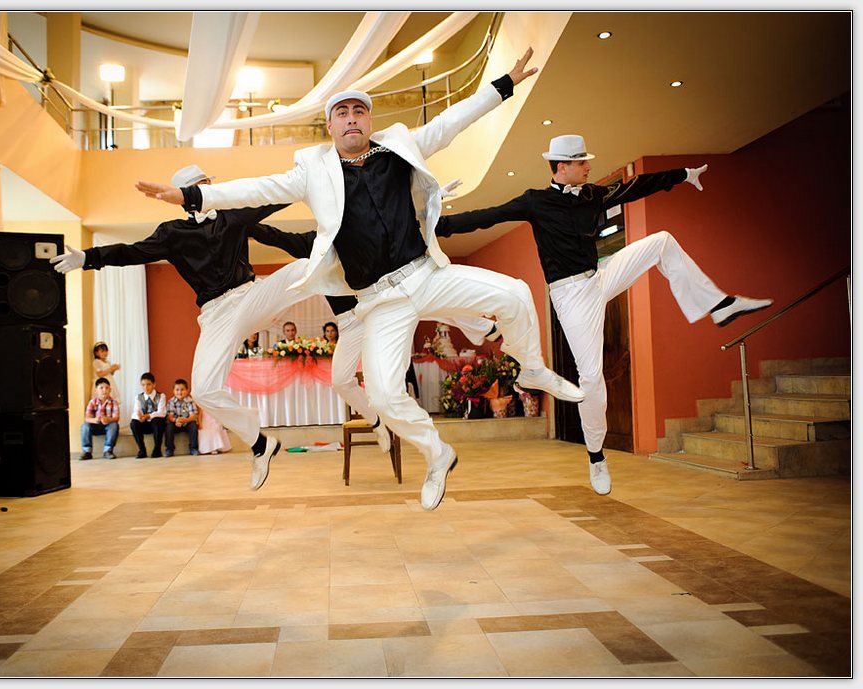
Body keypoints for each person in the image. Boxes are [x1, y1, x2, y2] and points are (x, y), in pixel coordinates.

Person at [136, 49, 582, 511]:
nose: (351, 118)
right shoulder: (313, 173)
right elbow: (256, 188)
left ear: (369, 121)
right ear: (330, 127)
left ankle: (531, 366)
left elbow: (450, 122)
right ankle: (437, 454)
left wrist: (503, 86)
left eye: (359, 111)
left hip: (425, 275)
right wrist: (190, 195)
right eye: (342, 113)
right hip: (380, 301)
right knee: (385, 397)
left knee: (516, 293)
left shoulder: (399, 150)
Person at [435, 133, 773, 495]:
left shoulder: (592, 194)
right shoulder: (535, 201)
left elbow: (634, 187)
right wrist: (435, 218)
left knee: (661, 241)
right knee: (592, 379)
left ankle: (719, 306)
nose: (588, 166)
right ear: (562, 167)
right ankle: (596, 457)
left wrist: (683, 175)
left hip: (600, 275)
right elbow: (486, 217)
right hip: (571, 296)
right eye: (582, 162)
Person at [54, 164, 312, 488]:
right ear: (186, 195)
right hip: (216, 314)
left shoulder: (233, 215)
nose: (209, 189)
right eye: (202, 185)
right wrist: (88, 258)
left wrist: (307, 179)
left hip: (249, 296)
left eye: (209, 184)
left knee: (306, 267)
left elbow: (270, 199)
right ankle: (260, 443)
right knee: (203, 390)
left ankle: (359, 286)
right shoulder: (172, 233)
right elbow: (132, 252)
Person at [248, 222, 497, 454]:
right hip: (349, 323)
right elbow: (276, 237)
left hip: (374, 306)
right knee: (340, 381)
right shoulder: (312, 243)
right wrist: (246, 224)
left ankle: (483, 326)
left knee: (427, 302)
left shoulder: (357, 234)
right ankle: (377, 422)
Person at [80, 377, 120, 460]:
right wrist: (94, 420)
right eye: (101, 388)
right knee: (85, 426)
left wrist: (109, 419)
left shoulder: (114, 402)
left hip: (108, 426)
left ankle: (108, 450)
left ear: (110, 390)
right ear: (96, 390)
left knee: (114, 425)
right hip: (96, 426)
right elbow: (87, 417)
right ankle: (87, 452)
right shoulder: (92, 402)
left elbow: (116, 417)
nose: (104, 390)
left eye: (107, 388)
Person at [129, 371, 167, 458]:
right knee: (134, 423)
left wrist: (149, 416)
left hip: (156, 425)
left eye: (148, 384)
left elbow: (162, 412)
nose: (146, 387)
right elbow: (136, 411)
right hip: (144, 424)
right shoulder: (138, 397)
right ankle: (142, 450)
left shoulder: (161, 396)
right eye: (143, 385)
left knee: (157, 420)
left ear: (154, 384)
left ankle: (157, 449)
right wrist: (139, 416)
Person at [165, 378, 199, 457]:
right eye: (177, 390)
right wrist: (176, 420)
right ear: (173, 391)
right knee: (169, 427)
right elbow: (170, 416)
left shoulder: (190, 401)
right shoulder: (171, 401)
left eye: (182, 389)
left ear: (187, 390)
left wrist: (185, 420)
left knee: (193, 426)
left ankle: (193, 448)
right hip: (175, 423)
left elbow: (194, 416)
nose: (179, 392)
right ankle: (169, 449)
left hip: (187, 423)